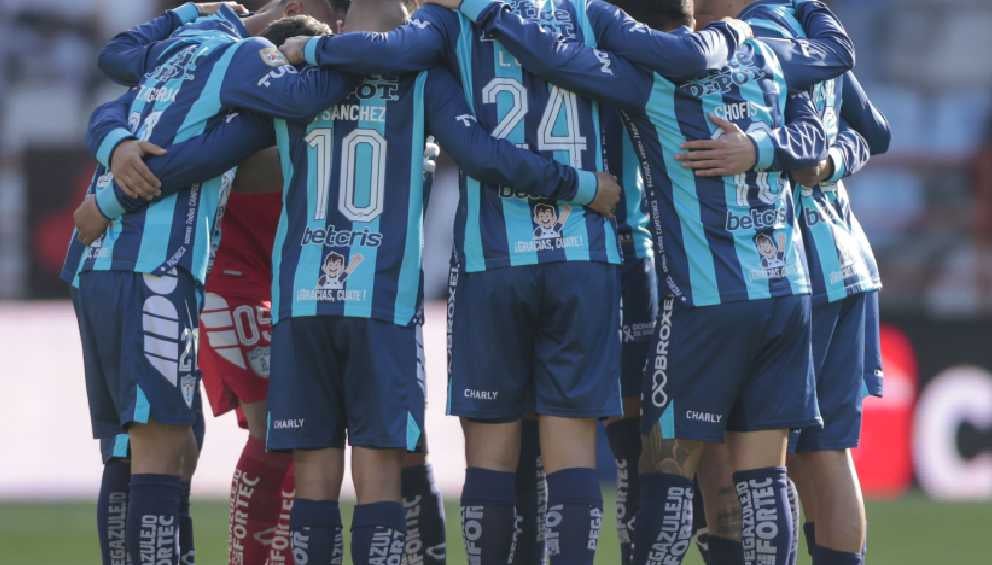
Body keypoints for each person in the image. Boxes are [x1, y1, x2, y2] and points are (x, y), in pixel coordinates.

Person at [82, 3, 621, 563]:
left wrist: (110, 196)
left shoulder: (287, 91)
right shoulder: (422, 79)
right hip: (382, 304)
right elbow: (484, 155)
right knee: (383, 475)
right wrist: (579, 185)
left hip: (302, 304)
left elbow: (203, 155)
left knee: (312, 478)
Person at [279, 4, 751, 563]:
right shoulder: (588, 12)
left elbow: (397, 56)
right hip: (586, 254)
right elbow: (677, 53)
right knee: (574, 449)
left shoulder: (451, 17)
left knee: (492, 455)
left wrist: (307, 49)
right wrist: (736, 31)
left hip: (493, 262)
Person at [424, 1, 865, 563]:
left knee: (660, 461)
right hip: (783, 288)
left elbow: (556, 62)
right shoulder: (763, 54)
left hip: (688, 289)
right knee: (760, 469)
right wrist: (768, 147)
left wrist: (484, 10)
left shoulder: (642, 80)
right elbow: (838, 98)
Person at [65, 3, 362, 563]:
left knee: (135, 446)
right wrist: (356, 59)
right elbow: (252, 129)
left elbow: (108, 100)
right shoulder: (247, 60)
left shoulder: (177, 55)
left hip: (96, 267)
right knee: (163, 445)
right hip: (152, 264)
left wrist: (111, 155)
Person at [739, 2, 892, 564]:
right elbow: (874, 131)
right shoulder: (810, 30)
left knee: (757, 452)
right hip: (850, 259)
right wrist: (831, 162)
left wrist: (820, 160)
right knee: (826, 452)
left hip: (789, 269)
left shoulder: (747, 40)